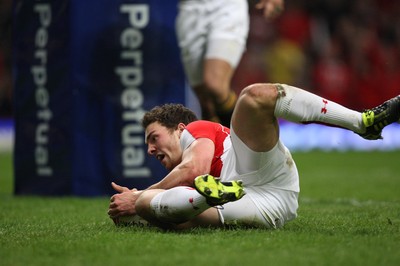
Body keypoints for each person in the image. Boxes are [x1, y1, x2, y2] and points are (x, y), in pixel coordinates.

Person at [108, 83, 400, 230]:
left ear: (180, 129)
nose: (149, 149)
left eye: (154, 138)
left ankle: (361, 122)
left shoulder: (197, 130)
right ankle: (209, 196)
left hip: (260, 173)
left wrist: (138, 196)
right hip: (257, 206)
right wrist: (138, 205)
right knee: (150, 205)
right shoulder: (177, 185)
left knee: (253, 96)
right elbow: (174, 216)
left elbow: (194, 168)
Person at [175, 0, 285, 127]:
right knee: (205, 102)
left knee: (214, 85)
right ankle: (219, 144)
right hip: (190, 11)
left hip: (227, 7)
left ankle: (250, 135)